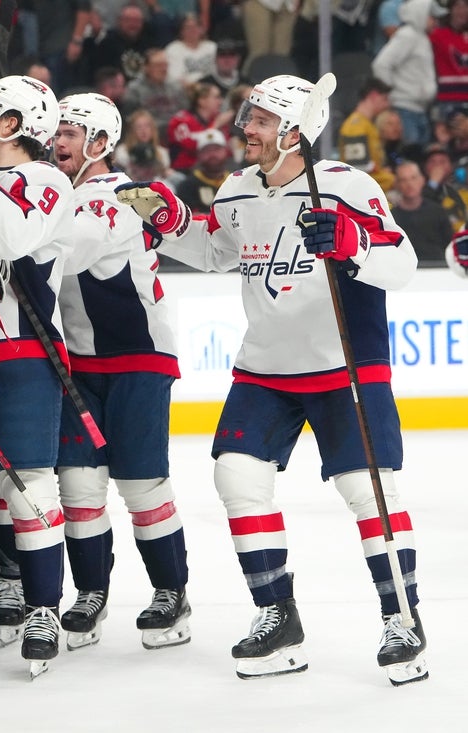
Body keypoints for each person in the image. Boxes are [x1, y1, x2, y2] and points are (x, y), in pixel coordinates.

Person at [115, 74, 428, 686]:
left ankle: (403, 620)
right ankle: (277, 616)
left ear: (294, 131)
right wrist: (172, 222)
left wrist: (354, 244)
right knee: (236, 476)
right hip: (265, 366)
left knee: (368, 492)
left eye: (259, 120)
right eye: (248, 117)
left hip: (345, 365)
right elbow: (216, 251)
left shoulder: (347, 186)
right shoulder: (235, 190)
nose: (245, 129)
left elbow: (403, 263)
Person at [51, 92, 191, 652]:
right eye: (56, 131)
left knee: (140, 484)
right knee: (78, 485)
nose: (58, 141)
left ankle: (171, 592)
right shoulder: (56, 192)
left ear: (101, 143)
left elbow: (71, 252)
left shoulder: (121, 196)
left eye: (71, 132)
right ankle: (91, 592)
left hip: (138, 358)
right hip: (79, 363)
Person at [0, 74, 75, 678]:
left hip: (21, 351)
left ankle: (42, 608)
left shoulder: (47, 180)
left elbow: (9, 237)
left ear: (11, 124)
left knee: (29, 486)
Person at [371, 0, 440, 147]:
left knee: (419, 154)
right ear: (421, 14)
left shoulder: (421, 38)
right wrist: (391, 93)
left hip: (419, 109)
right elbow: (381, 64)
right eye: (432, 17)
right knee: (409, 152)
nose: (436, 21)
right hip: (404, 109)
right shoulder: (407, 35)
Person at [337, 77, 395, 193]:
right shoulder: (355, 126)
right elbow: (357, 166)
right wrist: (387, 177)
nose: (387, 104)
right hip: (361, 192)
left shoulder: (368, 125)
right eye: (384, 99)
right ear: (373, 95)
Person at [392, 159, 453, 264]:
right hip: (405, 269)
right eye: (403, 180)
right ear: (397, 185)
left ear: (422, 180)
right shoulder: (391, 218)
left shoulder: (437, 211)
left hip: (439, 268)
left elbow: (450, 246)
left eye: (413, 178)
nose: (409, 184)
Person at [167, 81, 232, 174]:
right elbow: (194, 149)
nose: (220, 102)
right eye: (216, 97)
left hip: (216, 169)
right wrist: (215, 126)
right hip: (186, 171)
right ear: (201, 101)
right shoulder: (181, 121)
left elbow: (227, 151)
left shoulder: (218, 119)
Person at [124, 48, 188, 141]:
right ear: (146, 67)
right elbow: (132, 119)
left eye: (165, 65)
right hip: (149, 136)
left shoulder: (176, 86)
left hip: (177, 134)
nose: (163, 69)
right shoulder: (135, 89)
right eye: (158, 65)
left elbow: (185, 112)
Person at [174, 127, 235, 212]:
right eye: (207, 150)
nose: (212, 154)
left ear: (226, 151)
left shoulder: (235, 182)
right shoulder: (187, 187)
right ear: (198, 154)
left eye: (217, 149)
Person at [164, 14, 217, 88]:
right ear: (181, 31)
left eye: (196, 26)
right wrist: (196, 88)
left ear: (202, 29)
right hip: (184, 89)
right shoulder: (173, 49)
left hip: (213, 88)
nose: (192, 30)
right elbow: (174, 77)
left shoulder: (212, 47)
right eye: (188, 27)